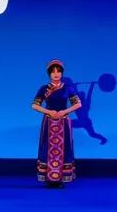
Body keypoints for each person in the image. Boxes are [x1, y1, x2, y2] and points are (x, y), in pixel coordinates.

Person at [31, 59, 82, 187]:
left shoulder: (67, 88)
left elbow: (78, 104)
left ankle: (60, 178)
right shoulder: (44, 89)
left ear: (62, 73)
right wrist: (49, 111)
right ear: (49, 74)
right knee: (47, 147)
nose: (56, 74)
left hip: (63, 122)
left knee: (64, 148)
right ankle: (49, 178)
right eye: (53, 71)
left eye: (58, 71)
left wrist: (65, 111)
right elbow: (34, 105)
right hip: (49, 122)